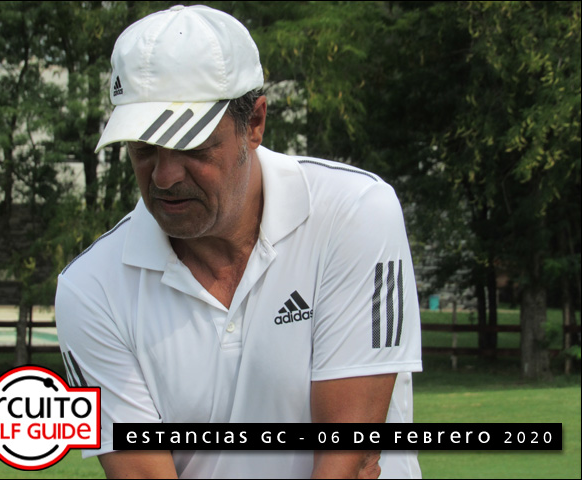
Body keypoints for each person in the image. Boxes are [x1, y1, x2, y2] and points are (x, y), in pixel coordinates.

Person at [55, 4, 422, 479]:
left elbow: (351, 459)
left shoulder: (354, 213)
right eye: (143, 147)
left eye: (190, 144)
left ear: (255, 123)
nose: (164, 176)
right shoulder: (90, 289)